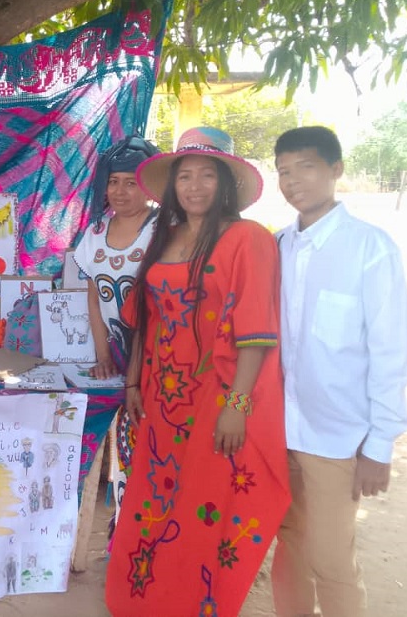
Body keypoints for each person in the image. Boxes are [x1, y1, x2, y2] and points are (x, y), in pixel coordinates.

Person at [105, 127, 290, 616]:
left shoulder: (248, 238)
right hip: (160, 398)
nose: (194, 186)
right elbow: (144, 317)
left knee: (201, 505)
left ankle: (191, 604)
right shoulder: (164, 235)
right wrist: (132, 382)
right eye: (185, 176)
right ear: (173, 185)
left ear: (225, 183)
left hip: (215, 397)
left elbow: (256, 330)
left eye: (207, 175)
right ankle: (144, 599)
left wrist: (237, 405)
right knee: (154, 499)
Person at [270, 126, 407, 617]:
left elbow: (390, 351)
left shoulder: (370, 248)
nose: (293, 181)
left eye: (305, 167)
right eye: (283, 171)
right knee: (289, 545)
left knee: (331, 559)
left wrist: (380, 444)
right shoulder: (278, 246)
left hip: (337, 436)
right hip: (280, 431)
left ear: (336, 170)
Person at [73, 134, 160, 379]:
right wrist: (104, 358)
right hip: (119, 352)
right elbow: (94, 301)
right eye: (113, 181)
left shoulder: (164, 228)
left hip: (159, 354)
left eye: (131, 183)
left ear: (148, 188)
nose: (119, 191)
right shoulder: (95, 232)